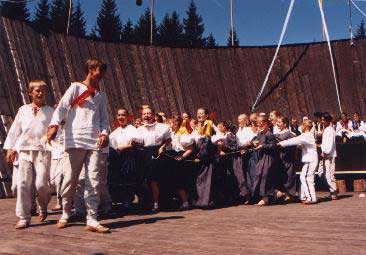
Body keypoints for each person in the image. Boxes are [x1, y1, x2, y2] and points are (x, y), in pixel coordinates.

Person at [47, 58, 110, 233]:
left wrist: (104, 133)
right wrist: (53, 126)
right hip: (75, 140)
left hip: (94, 142)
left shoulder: (101, 96)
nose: (102, 75)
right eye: (100, 71)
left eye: (103, 72)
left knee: (94, 180)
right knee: (70, 179)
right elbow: (61, 107)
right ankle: (66, 213)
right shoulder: (75, 87)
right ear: (91, 69)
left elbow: (104, 119)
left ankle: (92, 218)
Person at [4, 80, 54, 229]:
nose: (40, 93)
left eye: (43, 91)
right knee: (23, 183)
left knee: (41, 184)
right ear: (30, 93)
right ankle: (24, 217)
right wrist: (10, 148)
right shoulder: (23, 109)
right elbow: (15, 130)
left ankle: (43, 206)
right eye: (37, 90)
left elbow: (56, 131)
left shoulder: (50, 111)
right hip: (24, 149)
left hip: (42, 150)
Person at [137, 106, 171, 213]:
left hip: (158, 152)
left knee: (157, 179)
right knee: (148, 180)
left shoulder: (162, 127)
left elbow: (168, 139)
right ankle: (150, 202)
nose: (146, 116)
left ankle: (159, 203)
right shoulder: (139, 129)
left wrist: (162, 147)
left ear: (153, 115)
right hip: (145, 153)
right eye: (144, 114)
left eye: (148, 113)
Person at [109, 108, 142, 209]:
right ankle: (123, 200)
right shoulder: (115, 132)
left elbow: (134, 143)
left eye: (123, 115)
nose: (121, 117)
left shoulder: (132, 129)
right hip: (119, 158)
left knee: (130, 179)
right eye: (119, 115)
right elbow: (113, 146)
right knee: (120, 180)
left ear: (127, 117)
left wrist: (122, 147)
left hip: (130, 157)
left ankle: (130, 200)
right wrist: (123, 147)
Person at [279, 120, 318, 204]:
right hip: (309, 160)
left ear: (306, 126)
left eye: (302, 125)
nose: (301, 127)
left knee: (307, 178)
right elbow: (298, 141)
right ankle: (304, 196)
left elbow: (295, 141)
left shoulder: (307, 135)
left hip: (310, 160)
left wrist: (281, 143)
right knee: (303, 177)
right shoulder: (306, 136)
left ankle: (311, 198)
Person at [164, 115, 195, 210]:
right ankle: (179, 201)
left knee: (180, 182)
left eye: (171, 123)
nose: (170, 126)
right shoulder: (171, 134)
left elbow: (190, 149)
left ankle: (186, 202)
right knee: (174, 181)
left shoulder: (183, 134)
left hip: (180, 158)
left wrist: (182, 157)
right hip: (172, 157)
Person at [250, 116, 279, 206]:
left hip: (269, 158)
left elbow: (273, 146)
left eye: (261, 124)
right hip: (261, 158)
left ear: (266, 124)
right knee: (258, 176)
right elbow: (255, 141)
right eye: (258, 124)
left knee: (265, 177)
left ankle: (265, 198)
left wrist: (263, 146)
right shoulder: (260, 134)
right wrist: (253, 143)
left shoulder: (269, 134)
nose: (259, 126)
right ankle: (275, 193)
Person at [275, 117, 297, 202]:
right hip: (281, 158)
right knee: (283, 176)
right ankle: (284, 193)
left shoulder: (288, 134)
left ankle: (290, 194)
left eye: (279, 122)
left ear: (284, 124)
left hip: (287, 158)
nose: (278, 124)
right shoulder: (279, 133)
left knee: (289, 176)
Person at [318, 113, 338, 200]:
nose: (322, 121)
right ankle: (333, 190)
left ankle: (334, 191)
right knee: (323, 173)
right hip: (326, 154)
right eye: (322, 120)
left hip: (329, 155)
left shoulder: (329, 130)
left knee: (329, 174)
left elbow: (330, 143)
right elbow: (325, 143)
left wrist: (325, 152)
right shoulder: (326, 130)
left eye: (324, 120)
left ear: (328, 120)